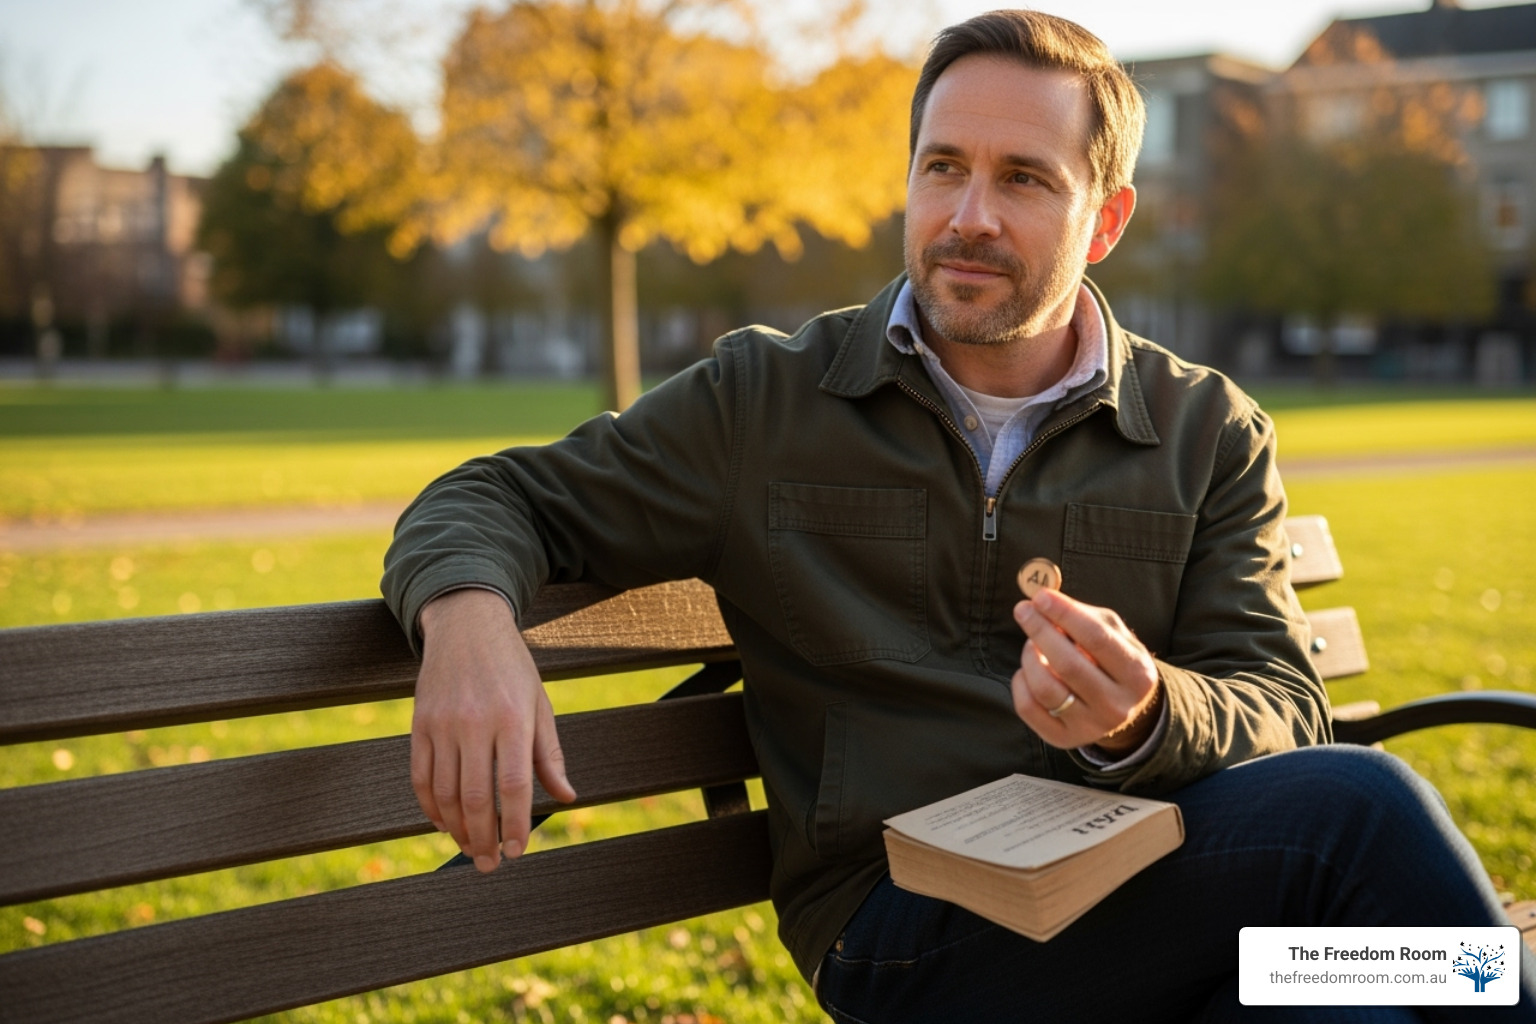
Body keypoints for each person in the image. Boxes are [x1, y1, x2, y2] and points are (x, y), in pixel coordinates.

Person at [383, 10, 1535, 1021]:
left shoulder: (1205, 429)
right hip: (904, 933)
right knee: (1362, 819)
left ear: (1107, 218)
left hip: (1161, 903)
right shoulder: (765, 398)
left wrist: (1146, 714)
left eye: (1024, 178)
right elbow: (497, 497)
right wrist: (470, 623)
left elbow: (1282, 705)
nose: (967, 215)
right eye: (943, 167)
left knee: (1339, 1000)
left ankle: (1467, 983)